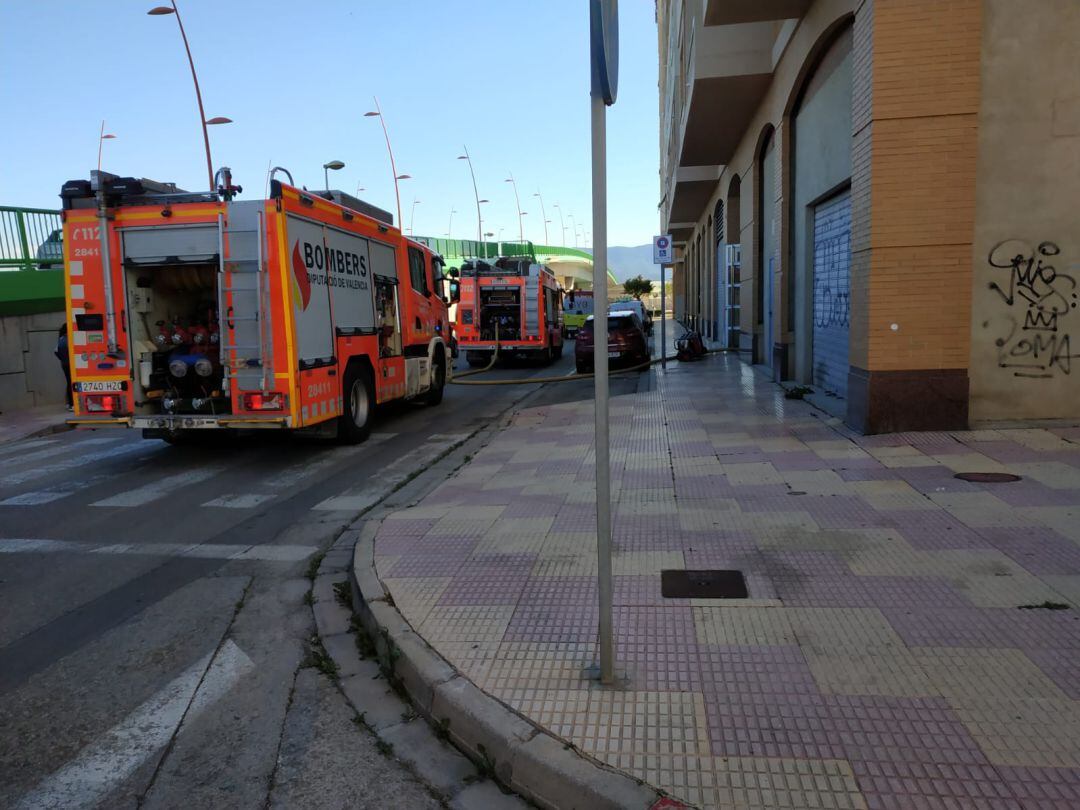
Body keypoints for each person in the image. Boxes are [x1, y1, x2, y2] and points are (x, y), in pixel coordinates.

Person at [55, 323, 72, 410]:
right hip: (70, 364)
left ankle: (69, 403)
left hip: (64, 363)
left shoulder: (60, 339)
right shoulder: (69, 339)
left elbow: (56, 352)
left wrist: (62, 358)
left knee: (69, 382)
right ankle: (71, 403)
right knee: (71, 383)